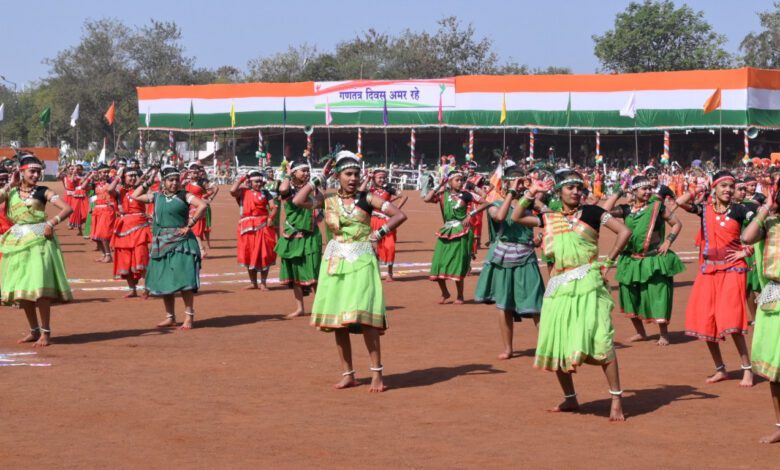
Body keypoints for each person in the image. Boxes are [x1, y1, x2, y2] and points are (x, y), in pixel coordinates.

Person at [511, 169, 632, 421]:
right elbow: (516, 216)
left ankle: (616, 398)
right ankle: (570, 398)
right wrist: (531, 192)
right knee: (559, 342)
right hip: (558, 287)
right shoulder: (549, 217)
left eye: (579, 188)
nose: (576, 192)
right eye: (570, 188)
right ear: (559, 192)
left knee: (601, 339)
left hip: (588, 282)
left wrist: (608, 262)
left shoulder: (594, 213)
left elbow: (624, 232)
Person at [296, 151, 407, 392]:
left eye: (356, 174)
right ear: (338, 176)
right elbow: (297, 201)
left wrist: (378, 234)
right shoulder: (327, 200)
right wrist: (317, 178)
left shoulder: (368, 199)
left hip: (362, 260)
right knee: (339, 322)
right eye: (348, 174)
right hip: (336, 262)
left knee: (365, 317)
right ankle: (348, 374)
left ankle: (377, 374)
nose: (353, 178)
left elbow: (399, 215)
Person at [676, 170, 754, 387]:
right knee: (706, 321)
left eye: (731, 186)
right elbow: (680, 201)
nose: (728, 190)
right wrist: (701, 187)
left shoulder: (741, 210)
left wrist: (745, 252)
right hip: (709, 270)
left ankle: (747, 369)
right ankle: (720, 369)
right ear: (715, 188)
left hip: (733, 270)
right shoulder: (704, 209)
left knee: (731, 320)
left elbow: (760, 229)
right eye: (723, 186)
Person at [0, 154, 73, 346]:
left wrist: (51, 222)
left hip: (40, 243)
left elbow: (66, 208)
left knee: (40, 290)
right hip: (16, 244)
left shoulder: (44, 191)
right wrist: (10, 184)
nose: (36, 175)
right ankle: (34, 330)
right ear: (21, 172)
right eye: (32, 171)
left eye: (38, 171)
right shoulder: (11, 192)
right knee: (22, 291)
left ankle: (46, 332)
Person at [603, 175, 685, 346]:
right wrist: (618, 192)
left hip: (653, 259)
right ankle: (640, 332)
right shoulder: (626, 209)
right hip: (630, 260)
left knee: (658, 295)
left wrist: (668, 241)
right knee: (630, 296)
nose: (648, 192)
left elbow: (676, 223)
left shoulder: (657, 207)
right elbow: (604, 212)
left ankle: (664, 333)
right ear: (634, 191)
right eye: (643, 189)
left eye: (649, 188)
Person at [474, 166, 544, 360]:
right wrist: (511, 193)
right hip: (503, 255)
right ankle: (508, 348)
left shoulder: (531, 203)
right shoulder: (495, 203)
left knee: (536, 302)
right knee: (503, 305)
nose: (519, 186)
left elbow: (549, 217)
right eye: (514, 182)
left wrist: (539, 237)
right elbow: (500, 216)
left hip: (526, 254)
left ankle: (547, 346)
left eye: (521, 182)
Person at [132, 166, 207, 329]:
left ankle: (189, 317)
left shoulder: (184, 195)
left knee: (185, 279)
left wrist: (190, 224)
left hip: (182, 243)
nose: (174, 183)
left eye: (176, 180)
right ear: (164, 182)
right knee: (165, 280)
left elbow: (202, 205)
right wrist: (149, 182)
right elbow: (134, 195)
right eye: (170, 180)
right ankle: (170, 317)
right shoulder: (157, 196)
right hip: (162, 243)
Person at [741, 191, 780, 444]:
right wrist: (767, 206)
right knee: (775, 370)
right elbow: (746, 236)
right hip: (774, 294)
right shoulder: (769, 222)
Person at [424, 168, 486, 304]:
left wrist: (471, 214)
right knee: (438, 263)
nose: (460, 183)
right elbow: (427, 199)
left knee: (458, 264)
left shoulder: (466, 194)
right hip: (446, 231)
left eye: (461, 180)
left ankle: (460, 295)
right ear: (449, 182)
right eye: (457, 180)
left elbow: (484, 202)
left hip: (462, 231)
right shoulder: (442, 195)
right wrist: (439, 185)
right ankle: (445, 292)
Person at [275, 158, 323, 318]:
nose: (307, 173)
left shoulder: (313, 189)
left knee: (315, 272)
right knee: (296, 274)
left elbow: (321, 203)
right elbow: (282, 189)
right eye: (303, 170)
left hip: (311, 236)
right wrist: (287, 175)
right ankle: (300, 308)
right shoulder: (288, 188)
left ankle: (320, 307)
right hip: (293, 236)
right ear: (294, 172)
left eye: (308, 170)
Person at [230, 170, 278, 290]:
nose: (259, 184)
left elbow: (273, 207)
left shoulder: (266, 193)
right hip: (247, 228)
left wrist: (271, 218)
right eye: (256, 181)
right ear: (250, 182)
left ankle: (263, 283)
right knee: (249, 254)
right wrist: (243, 178)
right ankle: (253, 282)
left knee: (264, 254)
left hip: (263, 227)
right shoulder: (243, 192)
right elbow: (232, 190)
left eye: (261, 182)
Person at [109, 167, 152, 298]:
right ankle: (132, 289)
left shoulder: (140, 190)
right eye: (130, 176)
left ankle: (147, 288)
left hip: (139, 227)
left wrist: (152, 173)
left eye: (135, 176)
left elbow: (147, 183)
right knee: (125, 259)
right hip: (124, 229)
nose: (133, 178)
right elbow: (110, 190)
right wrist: (117, 176)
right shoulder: (119, 191)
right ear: (124, 178)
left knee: (141, 256)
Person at [366, 168, 407, 281]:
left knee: (390, 246)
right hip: (374, 221)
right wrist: (367, 178)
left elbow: (403, 196)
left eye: (384, 177)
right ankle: (376, 272)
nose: (382, 179)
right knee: (375, 247)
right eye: (379, 177)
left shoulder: (389, 189)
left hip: (388, 222)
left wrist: (396, 210)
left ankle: (389, 273)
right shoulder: (370, 190)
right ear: (374, 178)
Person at [90, 163, 117, 263]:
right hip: (97, 211)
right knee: (96, 236)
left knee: (103, 234)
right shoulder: (96, 184)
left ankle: (109, 255)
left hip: (107, 210)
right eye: (103, 172)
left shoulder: (112, 183)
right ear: (98, 173)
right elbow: (92, 195)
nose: (105, 174)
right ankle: (103, 254)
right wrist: (91, 206)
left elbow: (115, 194)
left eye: (107, 172)